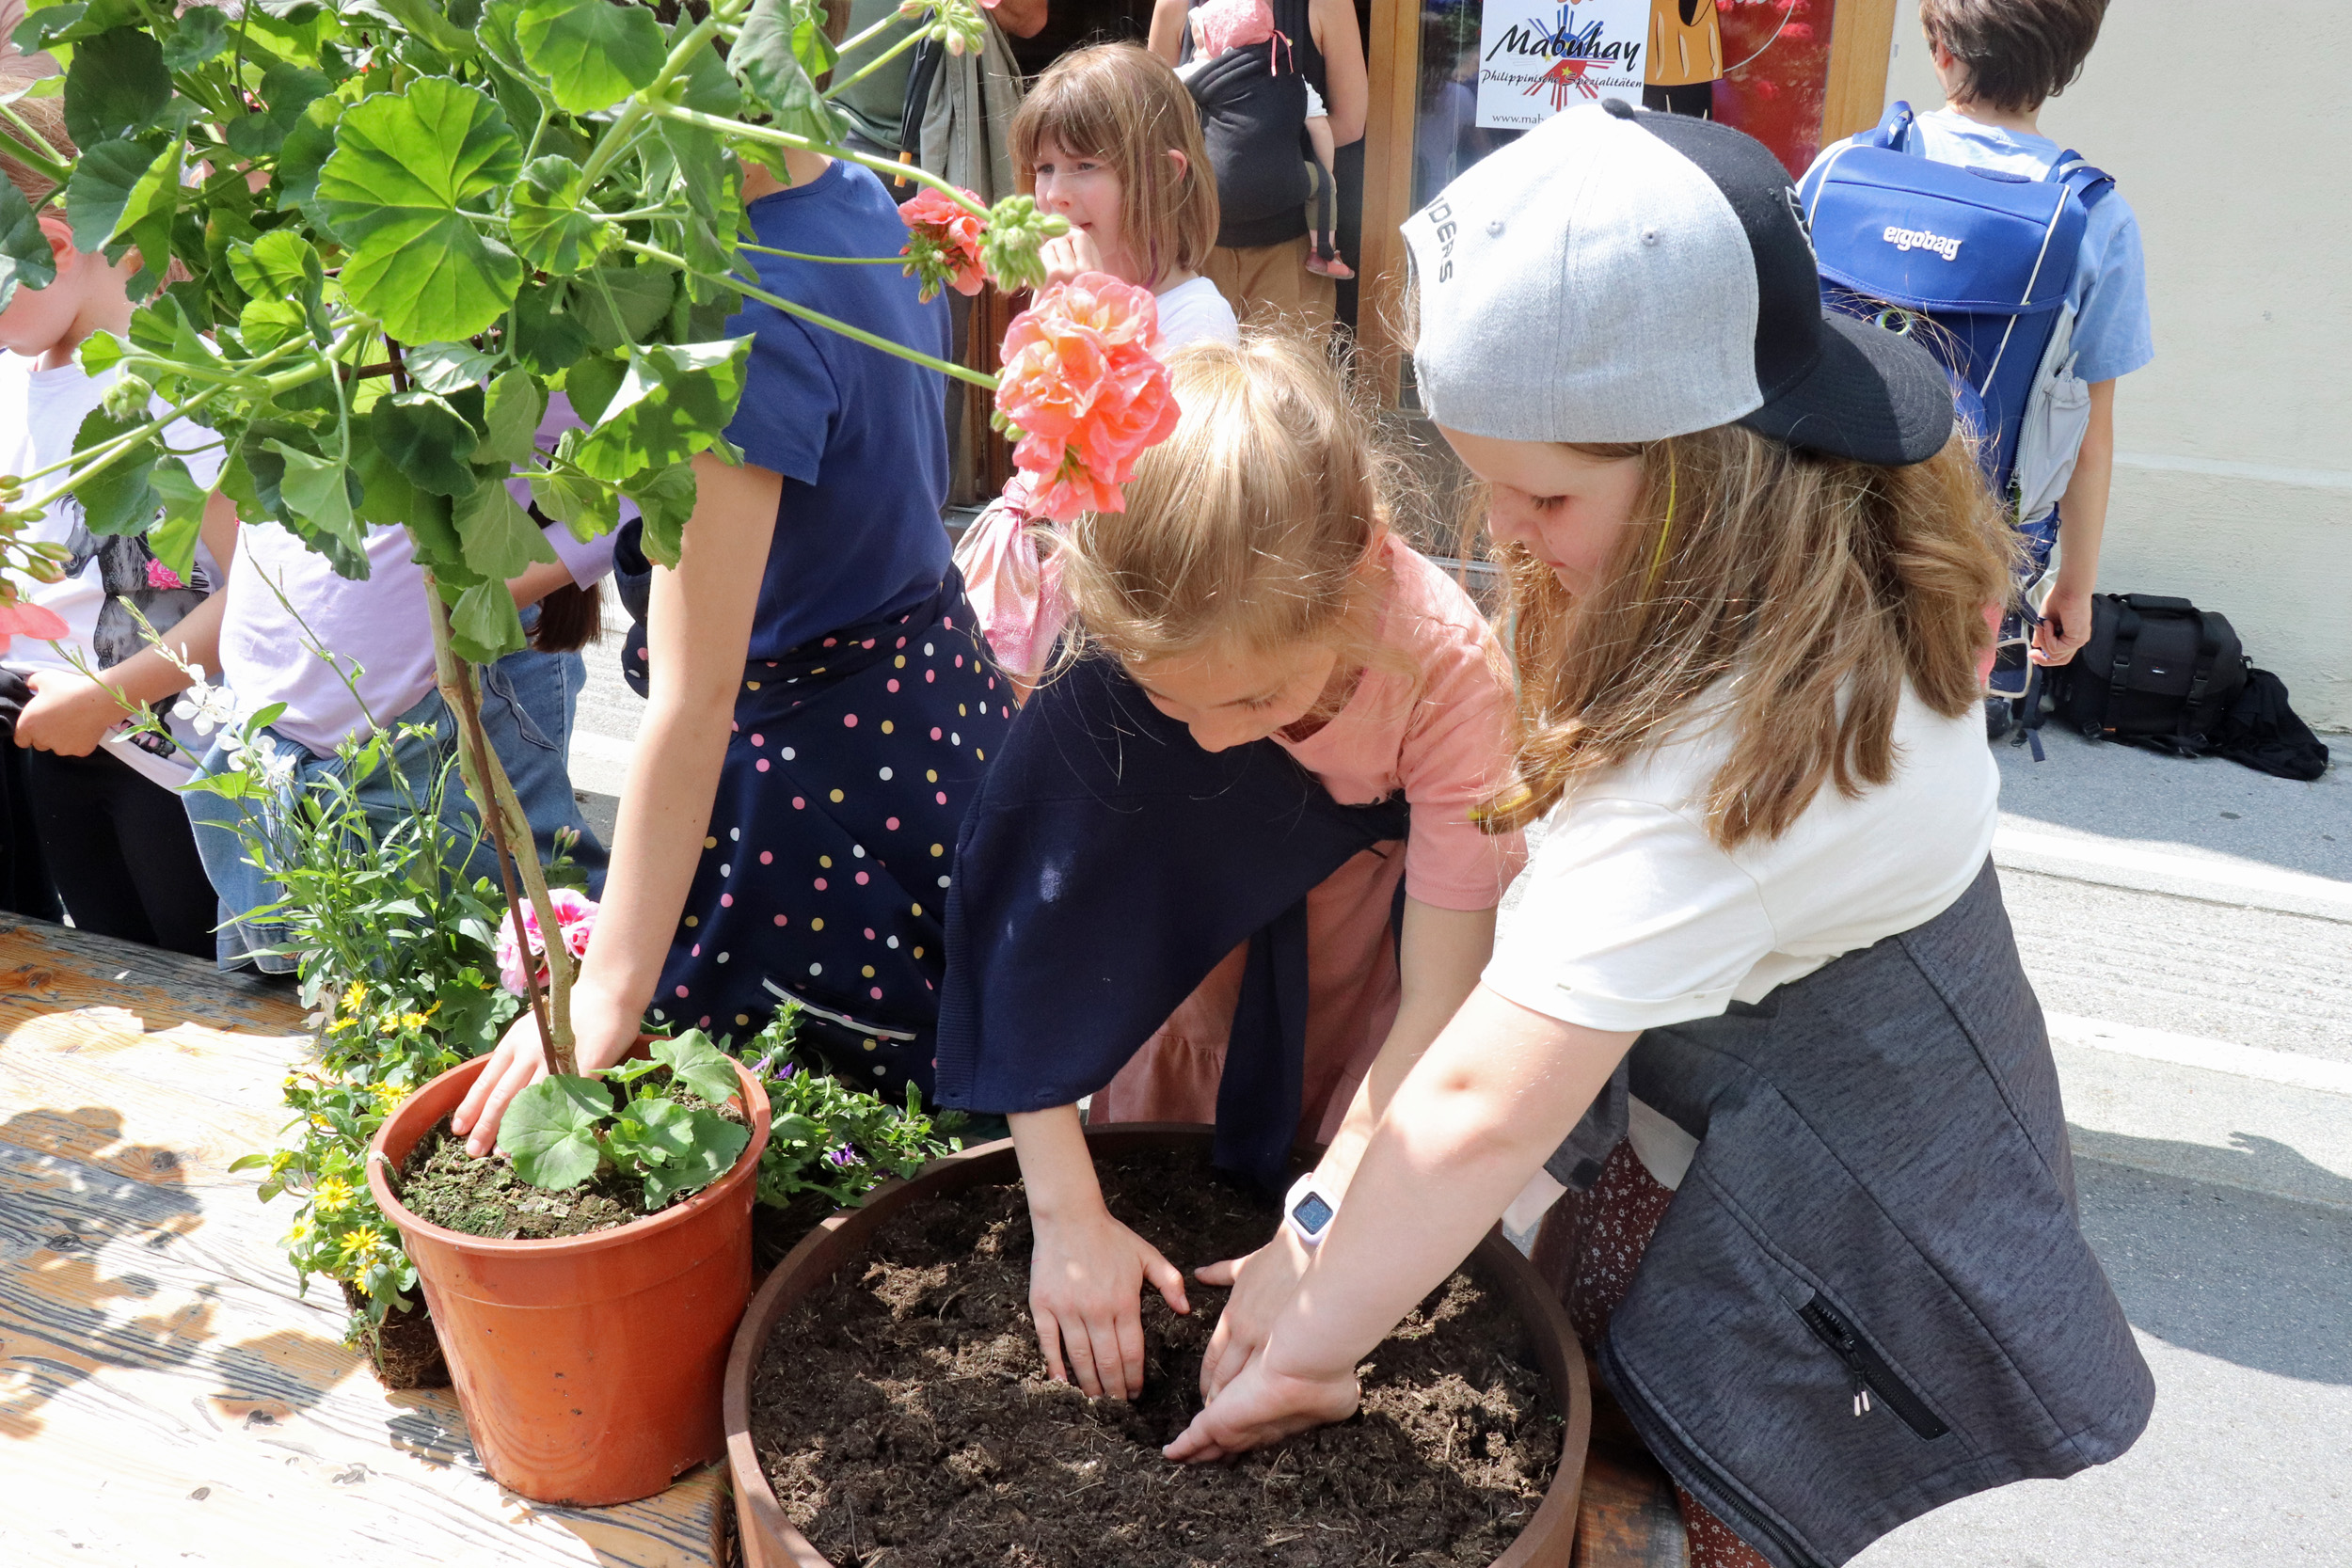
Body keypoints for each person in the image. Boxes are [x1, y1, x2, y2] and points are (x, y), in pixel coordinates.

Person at [1165, 103, 2153, 1568]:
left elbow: (1483, 1103)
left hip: (1840, 1200)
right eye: (1486, 480)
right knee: (1608, 1336)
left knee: (1725, 1483)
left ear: (1714, 465)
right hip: (1718, 1113)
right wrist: (1321, 1218)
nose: (1504, 534)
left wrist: (1310, 1344)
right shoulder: (1811, 543)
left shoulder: (1742, 765)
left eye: (1545, 494)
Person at [933, 335, 1526, 1402]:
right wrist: (1067, 1212)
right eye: (1168, 701)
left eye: (1257, 702)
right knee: (1161, 1150)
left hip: (1353, 987)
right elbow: (1034, 928)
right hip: (1167, 967)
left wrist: (1319, 1225)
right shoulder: (1133, 612)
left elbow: (1442, 999)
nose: (1210, 738)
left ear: (1348, 587)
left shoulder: (1446, 675)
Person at [452, 146, 1012, 1153]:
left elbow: (693, 695)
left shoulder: (736, 314)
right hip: (933, 704)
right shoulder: (856, 194)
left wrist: (608, 986)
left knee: (829, 1146)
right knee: (958, 1104)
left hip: (814, 782)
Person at [1808, 0, 2148, 732]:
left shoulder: (1845, 169)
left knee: (1800, 718)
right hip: (1968, 546)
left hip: (1814, 518)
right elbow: (2091, 435)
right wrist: (2074, 587)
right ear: (2067, 64)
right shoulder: (2094, 216)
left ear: (1941, 49)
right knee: (1930, 731)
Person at [184, 405, 616, 973]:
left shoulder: (476, 367)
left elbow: (652, 473)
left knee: (500, 967)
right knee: (323, 998)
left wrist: (488, 589)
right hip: (271, 755)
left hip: (424, 732)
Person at [0, 94, 234, 959]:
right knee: (103, 973)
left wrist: (107, 699)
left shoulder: (180, 384)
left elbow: (257, 597)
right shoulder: (15, 379)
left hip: (174, 767)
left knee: (200, 977)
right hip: (51, 748)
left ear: (54, 246)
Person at [1149, 0, 1365, 328]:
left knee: (1288, 364)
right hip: (1194, 250)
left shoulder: (1326, 5)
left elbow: (1350, 121)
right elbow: (1154, 119)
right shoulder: (1174, 6)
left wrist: (1265, 155)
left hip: (1288, 252)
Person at [1014, 43, 1237, 352]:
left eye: (1085, 165)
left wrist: (1072, 321)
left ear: (1165, 175)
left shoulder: (1198, 319)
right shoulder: (1061, 287)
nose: (1055, 194)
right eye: (1045, 168)